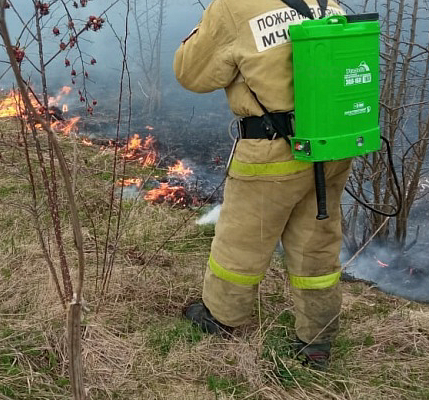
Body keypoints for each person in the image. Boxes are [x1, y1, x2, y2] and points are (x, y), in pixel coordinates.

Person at [174, 0, 351, 369]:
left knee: (241, 241)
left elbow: (191, 74)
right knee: (317, 242)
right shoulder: (328, 3)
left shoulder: (234, 6)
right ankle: (317, 339)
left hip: (273, 152)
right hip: (331, 148)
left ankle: (221, 318)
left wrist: (204, 27)